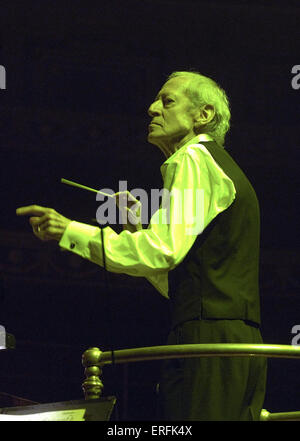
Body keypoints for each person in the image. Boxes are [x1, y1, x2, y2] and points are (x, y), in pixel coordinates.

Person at [16, 70, 267, 421]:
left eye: (167, 101)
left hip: (206, 345)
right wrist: (136, 228)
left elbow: (163, 250)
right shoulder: (215, 164)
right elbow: (180, 282)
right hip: (239, 347)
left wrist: (68, 230)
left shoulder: (193, 158)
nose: (151, 109)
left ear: (203, 115)